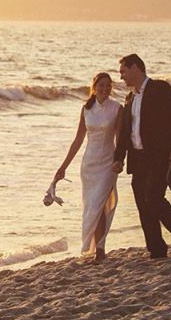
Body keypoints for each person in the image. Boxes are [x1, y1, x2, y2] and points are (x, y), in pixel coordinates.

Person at [112, 54, 171, 259]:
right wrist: (119, 158)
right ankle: (156, 250)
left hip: (158, 155)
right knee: (142, 205)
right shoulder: (130, 97)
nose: (121, 77)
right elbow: (126, 132)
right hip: (137, 159)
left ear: (136, 67)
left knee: (154, 198)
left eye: (123, 71)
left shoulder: (160, 88)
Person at [52, 72, 121, 264]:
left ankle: (100, 248)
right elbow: (78, 140)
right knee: (92, 207)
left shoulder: (117, 108)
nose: (105, 89)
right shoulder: (86, 109)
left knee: (101, 205)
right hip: (89, 165)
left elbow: (119, 139)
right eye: (101, 86)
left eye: (108, 86)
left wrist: (119, 160)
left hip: (108, 164)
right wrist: (63, 167)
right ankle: (98, 246)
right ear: (94, 87)